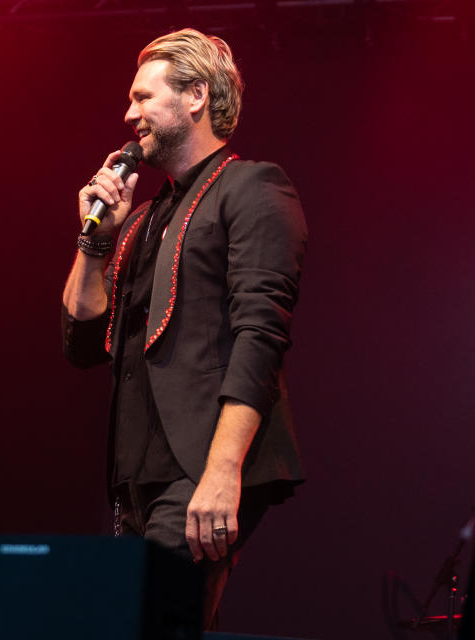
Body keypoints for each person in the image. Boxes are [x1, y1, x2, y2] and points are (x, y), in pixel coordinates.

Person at [61, 29, 307, 627]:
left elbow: (261, 337)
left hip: (204, 465)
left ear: (195, 95)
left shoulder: (251, 187)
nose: (129, 113)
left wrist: (222, 472)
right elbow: (83, 343)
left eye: (144, 97)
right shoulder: (144, 218)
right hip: (138, 476)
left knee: (147, 619)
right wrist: (94, 242)